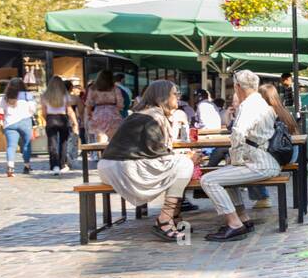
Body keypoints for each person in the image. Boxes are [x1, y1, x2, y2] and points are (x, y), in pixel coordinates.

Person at [97, 80, 203, 241]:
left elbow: (151, 150)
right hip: (124, 169)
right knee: (184, 165)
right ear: (163, 97)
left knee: (180, 164)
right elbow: (159, 154)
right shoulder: (155, 117)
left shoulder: (142, 114)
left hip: (109, 167)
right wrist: (189, 158)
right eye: (175, 94)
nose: (178, 98)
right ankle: (165, 220)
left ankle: (173, 216)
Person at [199, 70, 280, 241]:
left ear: (237, 87)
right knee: (226, 177)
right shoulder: (260, 102)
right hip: (266, 160)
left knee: (208, 180)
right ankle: (243, 219)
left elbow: (237, 134)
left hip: (260, 163)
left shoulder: (249, 105)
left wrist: (235, 160)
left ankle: (235, 224)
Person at [40, 75, 79, 175]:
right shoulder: (65, 95)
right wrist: (75, 123)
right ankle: (62, 164)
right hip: (63, 118)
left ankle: (54, 166)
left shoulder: (45, 96)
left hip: (51, 118)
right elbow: (69, 111)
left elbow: (43, 112)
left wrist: (47, 119)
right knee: (63, 142)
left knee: (52, 143)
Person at [1, 77, 37, 177]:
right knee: (26, 145)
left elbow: (3, 110)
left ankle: (10, 166)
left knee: (11, 146)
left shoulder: (6, 96)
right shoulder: (27, 95)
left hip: (10, 123)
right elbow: (33, 110)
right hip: (25, 122)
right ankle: (27, 166)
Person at [85, 70, 124, 142]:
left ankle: (101, 152)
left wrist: (89, 115)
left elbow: (88, 103)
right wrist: (116, 110)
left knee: (100, 140)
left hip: (98, 114)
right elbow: (120, 104)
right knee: (113, 140)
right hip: (113, 114)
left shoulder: (93, 89)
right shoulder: (115, 89)